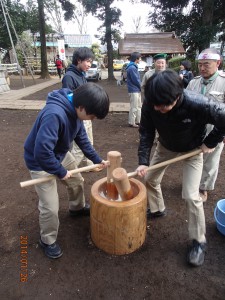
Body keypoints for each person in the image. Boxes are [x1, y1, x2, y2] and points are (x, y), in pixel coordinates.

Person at [136, 69, 225, 267]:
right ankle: (158, 209)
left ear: (178, 96)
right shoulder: (151, 104)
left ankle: (198, 242)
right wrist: (143, 160)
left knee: (192, 196)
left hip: (192, 149)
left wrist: (210, 142)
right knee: (149, 179)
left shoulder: (198, 103)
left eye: (165, 105)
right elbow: (146, 132)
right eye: (156, 106)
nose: (159, 109)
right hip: (165, 146)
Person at [23, 82, 110, 259]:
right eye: (92, 116)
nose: (91, 120)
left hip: (59, 154)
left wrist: (97, 159)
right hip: (40, 162)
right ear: (82, 107)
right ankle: (47, 240)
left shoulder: (76, 110)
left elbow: (82, 138)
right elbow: (41, 152)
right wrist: (60, 171)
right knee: (50, 207)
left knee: (77, 181)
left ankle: (76, 208)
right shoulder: (54, 115)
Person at [186, 48, 225, 202]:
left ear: (218, 63)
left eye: (206, 64)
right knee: (193, 157)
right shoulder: (194, 82)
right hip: (194, 129)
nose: (202, 68)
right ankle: (192, 183)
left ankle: (203, 188)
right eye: (200, 64)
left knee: (211, 161)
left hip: (215, 130)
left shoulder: (223, 82)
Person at [62, 47, 98, 171]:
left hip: (86, 114)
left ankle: (89, 165)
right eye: (87, 61)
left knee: (89, 141)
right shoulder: (69, 77)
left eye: (90, 61)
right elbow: (67, 100)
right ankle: (71, 171)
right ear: (78, 60)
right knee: (78, 147)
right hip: (78, 116)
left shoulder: (81, 75)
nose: (89, 64)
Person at [126, 52, 142, 128]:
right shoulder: (132, 68)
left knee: (138, 106)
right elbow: (136, 80)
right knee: (134, 106)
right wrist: (141, 86)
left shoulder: (133, 66)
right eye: (140, 58)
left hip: (136, 89)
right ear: (136, 59)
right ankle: (132, 122)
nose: (141, 59)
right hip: (134, 90)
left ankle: (138, 121)